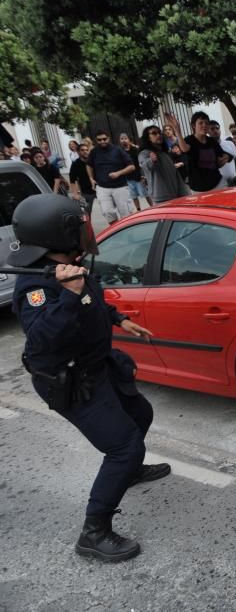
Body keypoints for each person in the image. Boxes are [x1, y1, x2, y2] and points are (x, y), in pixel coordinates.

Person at [9, 194, 170, 562]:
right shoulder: (36, 285)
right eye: (78, 228)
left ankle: (127, 472)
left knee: (140, 414)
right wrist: (68, 295)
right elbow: (42, 339)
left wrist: (117, 318)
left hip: (98, 364)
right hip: (69, 379)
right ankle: (94, 531)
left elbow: (93, 299)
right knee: (124, 446)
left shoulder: (71, 266)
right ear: (58, 234)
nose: (86, 233)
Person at [87, 131, 134, 222]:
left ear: (108, 138)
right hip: (102, 188)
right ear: (96, 140)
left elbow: (131, 167)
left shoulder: (118, 150)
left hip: (120, 187)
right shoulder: (94, 151)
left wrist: (118, 173)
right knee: (107, 212)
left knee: (126, 214)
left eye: (104, 139)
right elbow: (89, 165)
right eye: (99, 140)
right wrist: (91, 178)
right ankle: (117, 233)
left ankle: (129, 233)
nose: (102, 141)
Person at [138, 125, 190, 204]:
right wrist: (151, 160)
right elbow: (145, 166)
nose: (158, 135)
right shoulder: (144, 153)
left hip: (177, 195)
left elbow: (175, 174)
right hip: (161, 198)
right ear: (148, 137)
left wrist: (184, 192)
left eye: (159, 133)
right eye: (154, 133)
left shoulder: (164, 153)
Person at [119, 134, 152, 210]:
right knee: (133, 196)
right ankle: (138, 210)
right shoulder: (120, 151)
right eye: (121, 139)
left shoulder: (135, 150)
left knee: (145, 194)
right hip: (128, 179)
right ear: (119, 141)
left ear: (129, 140)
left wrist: (143, 175)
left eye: (125, 138)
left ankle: (153, 206)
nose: (123, 140)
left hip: (138, 177)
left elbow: (141, 163)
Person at [68, 141, 96, 213]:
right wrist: (75, 194)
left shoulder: (94, 161)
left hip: (99, 189)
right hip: (86, 192)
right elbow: (72, 180)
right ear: (78, 152)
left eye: (87, 150)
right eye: (82, 150)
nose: (85, 152)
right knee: (86, 212)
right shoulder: (75, 164)